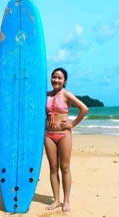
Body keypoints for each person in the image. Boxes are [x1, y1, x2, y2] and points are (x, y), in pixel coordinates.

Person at [44, 67, 88, 212]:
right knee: (53, 168)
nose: (56, 80)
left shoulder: (67, 95)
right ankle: (56, 200)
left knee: (65, 168)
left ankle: (66, 200)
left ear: (65, 81)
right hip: (48, 135)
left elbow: (84, 109)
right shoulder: (46, 95)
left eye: (59, 78)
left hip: (64, 134)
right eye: (54, 77)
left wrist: (72, 124)